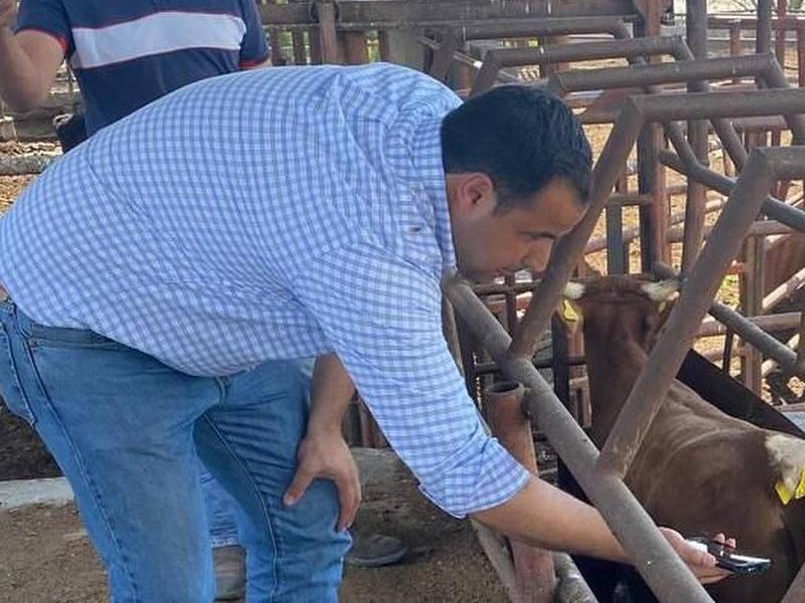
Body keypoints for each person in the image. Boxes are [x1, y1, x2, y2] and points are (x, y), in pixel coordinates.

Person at [0, 66, 730, 600]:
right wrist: (641, 544)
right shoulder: (372, 241)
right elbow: (467, 475)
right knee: (170, 585)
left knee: (310, 515)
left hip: (201, 295)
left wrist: (325, 425)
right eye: (534, 236)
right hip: (81, 327)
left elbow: (342, 287)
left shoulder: (429, 118)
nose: (539, 262)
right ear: (474, 192)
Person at [0, 0, 377, 596]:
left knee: (294, 510)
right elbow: (29, 89)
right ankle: (206, 536)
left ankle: (227, 530)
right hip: (131, 255)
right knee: (180, 557)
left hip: (231, 252)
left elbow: (257, 100)